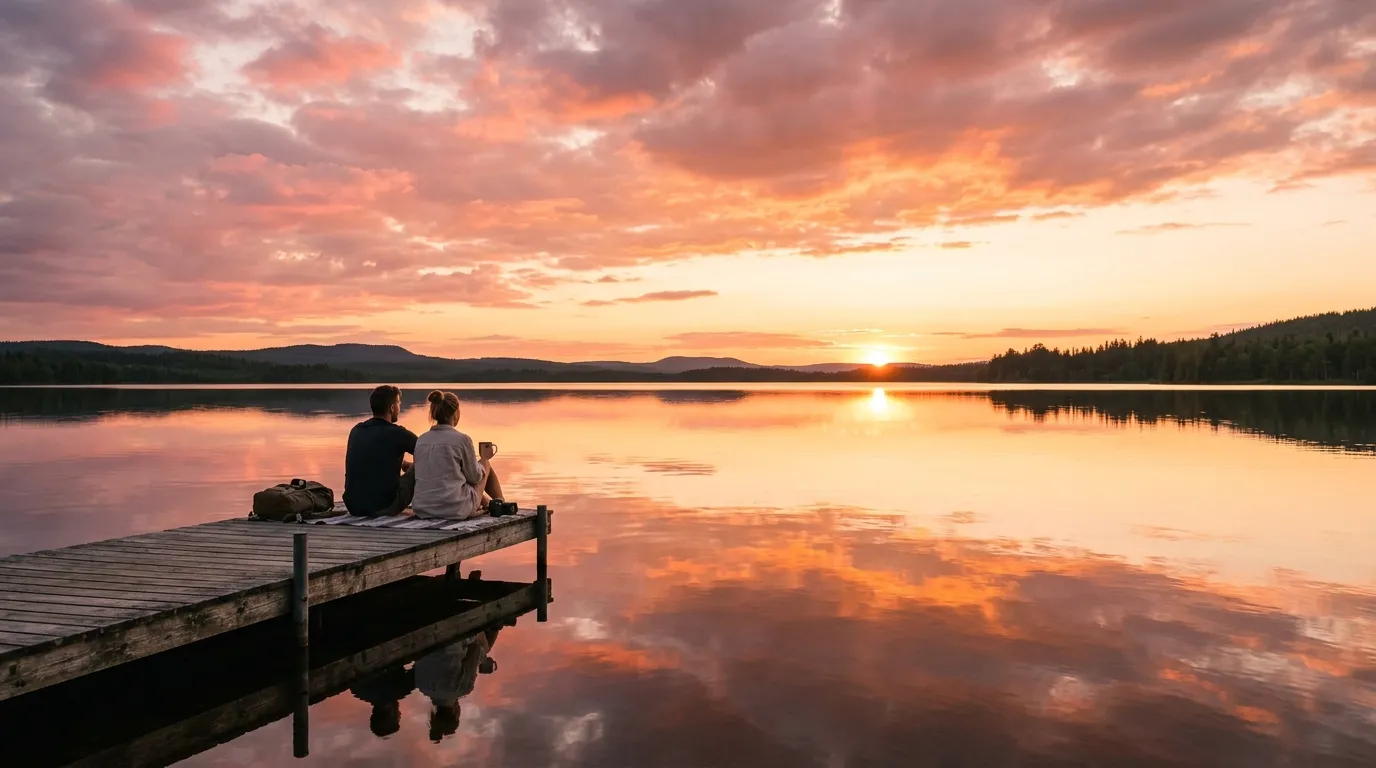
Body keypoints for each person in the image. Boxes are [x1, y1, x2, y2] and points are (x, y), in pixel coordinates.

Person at [412, 390, 505, 520]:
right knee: (485, 465)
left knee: (460, 475)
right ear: (456, 413)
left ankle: (491, 504)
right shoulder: (462, 440)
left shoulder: (421, 440)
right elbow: (475, 478)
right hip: (454, 509)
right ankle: (501, 503)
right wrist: (484, 458)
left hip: (423, 508)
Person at [414, 627, 501, 743]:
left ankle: (498, 621)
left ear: (456, 714)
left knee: (484, 649)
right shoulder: (422, 687)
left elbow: (475, 649)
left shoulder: (463, 689)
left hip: (454, 635)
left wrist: (482, 661)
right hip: (424, 636)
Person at [343, 385, 418, 517]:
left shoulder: (357, 430)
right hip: (384, 507)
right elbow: (430, 452)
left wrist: (404, 465)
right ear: (392, 408)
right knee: (419, 467)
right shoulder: (398, 434)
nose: (400, 408)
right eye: (399, 403)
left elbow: (375, 457)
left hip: (353, 506)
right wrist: (413, 467)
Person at [348, 662, 415, 738]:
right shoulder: (358, 691)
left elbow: (422, 668)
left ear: (392, 714)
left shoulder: (402, 689)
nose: (400, 714)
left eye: (398, 717)